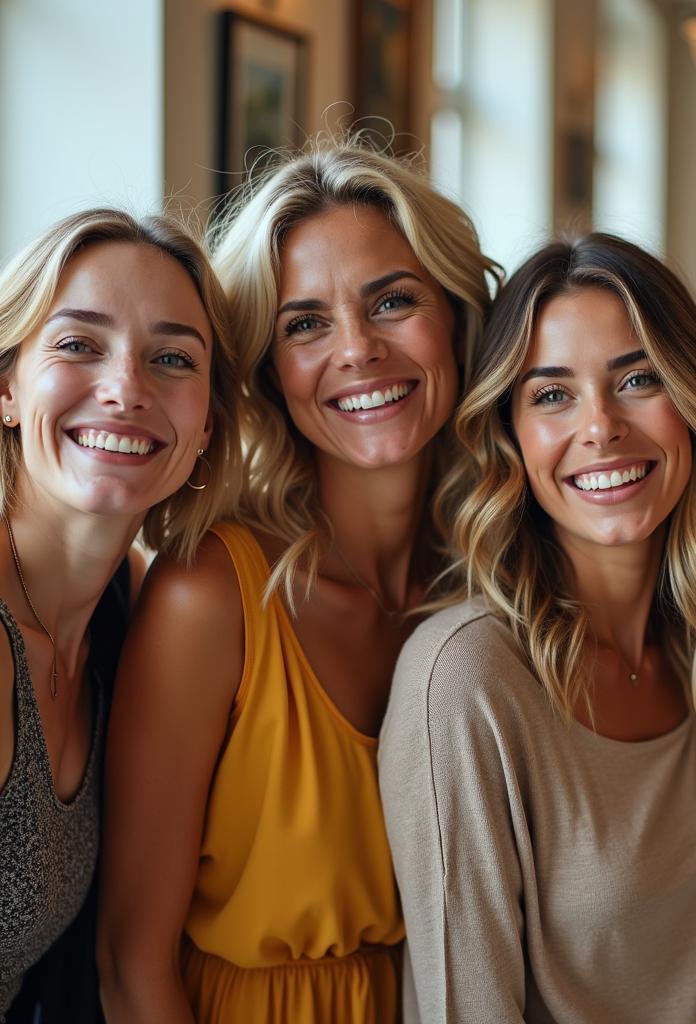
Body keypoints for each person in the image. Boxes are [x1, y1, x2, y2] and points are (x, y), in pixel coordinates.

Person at [97, 140, 498, 1024]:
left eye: (393, 301)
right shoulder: (211, 597)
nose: (357, 350)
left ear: (458, 320)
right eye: (304, 323)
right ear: (269, 370)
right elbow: (131, 969)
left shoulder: (497, 583)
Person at [380, 233, 696, 1023]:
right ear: (510, 436)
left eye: (638, 379)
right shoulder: (465, 678)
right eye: (552, 394)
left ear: (693, 400)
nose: (600, 426)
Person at [0, 207, 240, 1022]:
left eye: (172, 358)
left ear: (206, 424)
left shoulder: (131, 611)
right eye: (77, 344)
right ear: (6, 385)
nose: (126, 388)